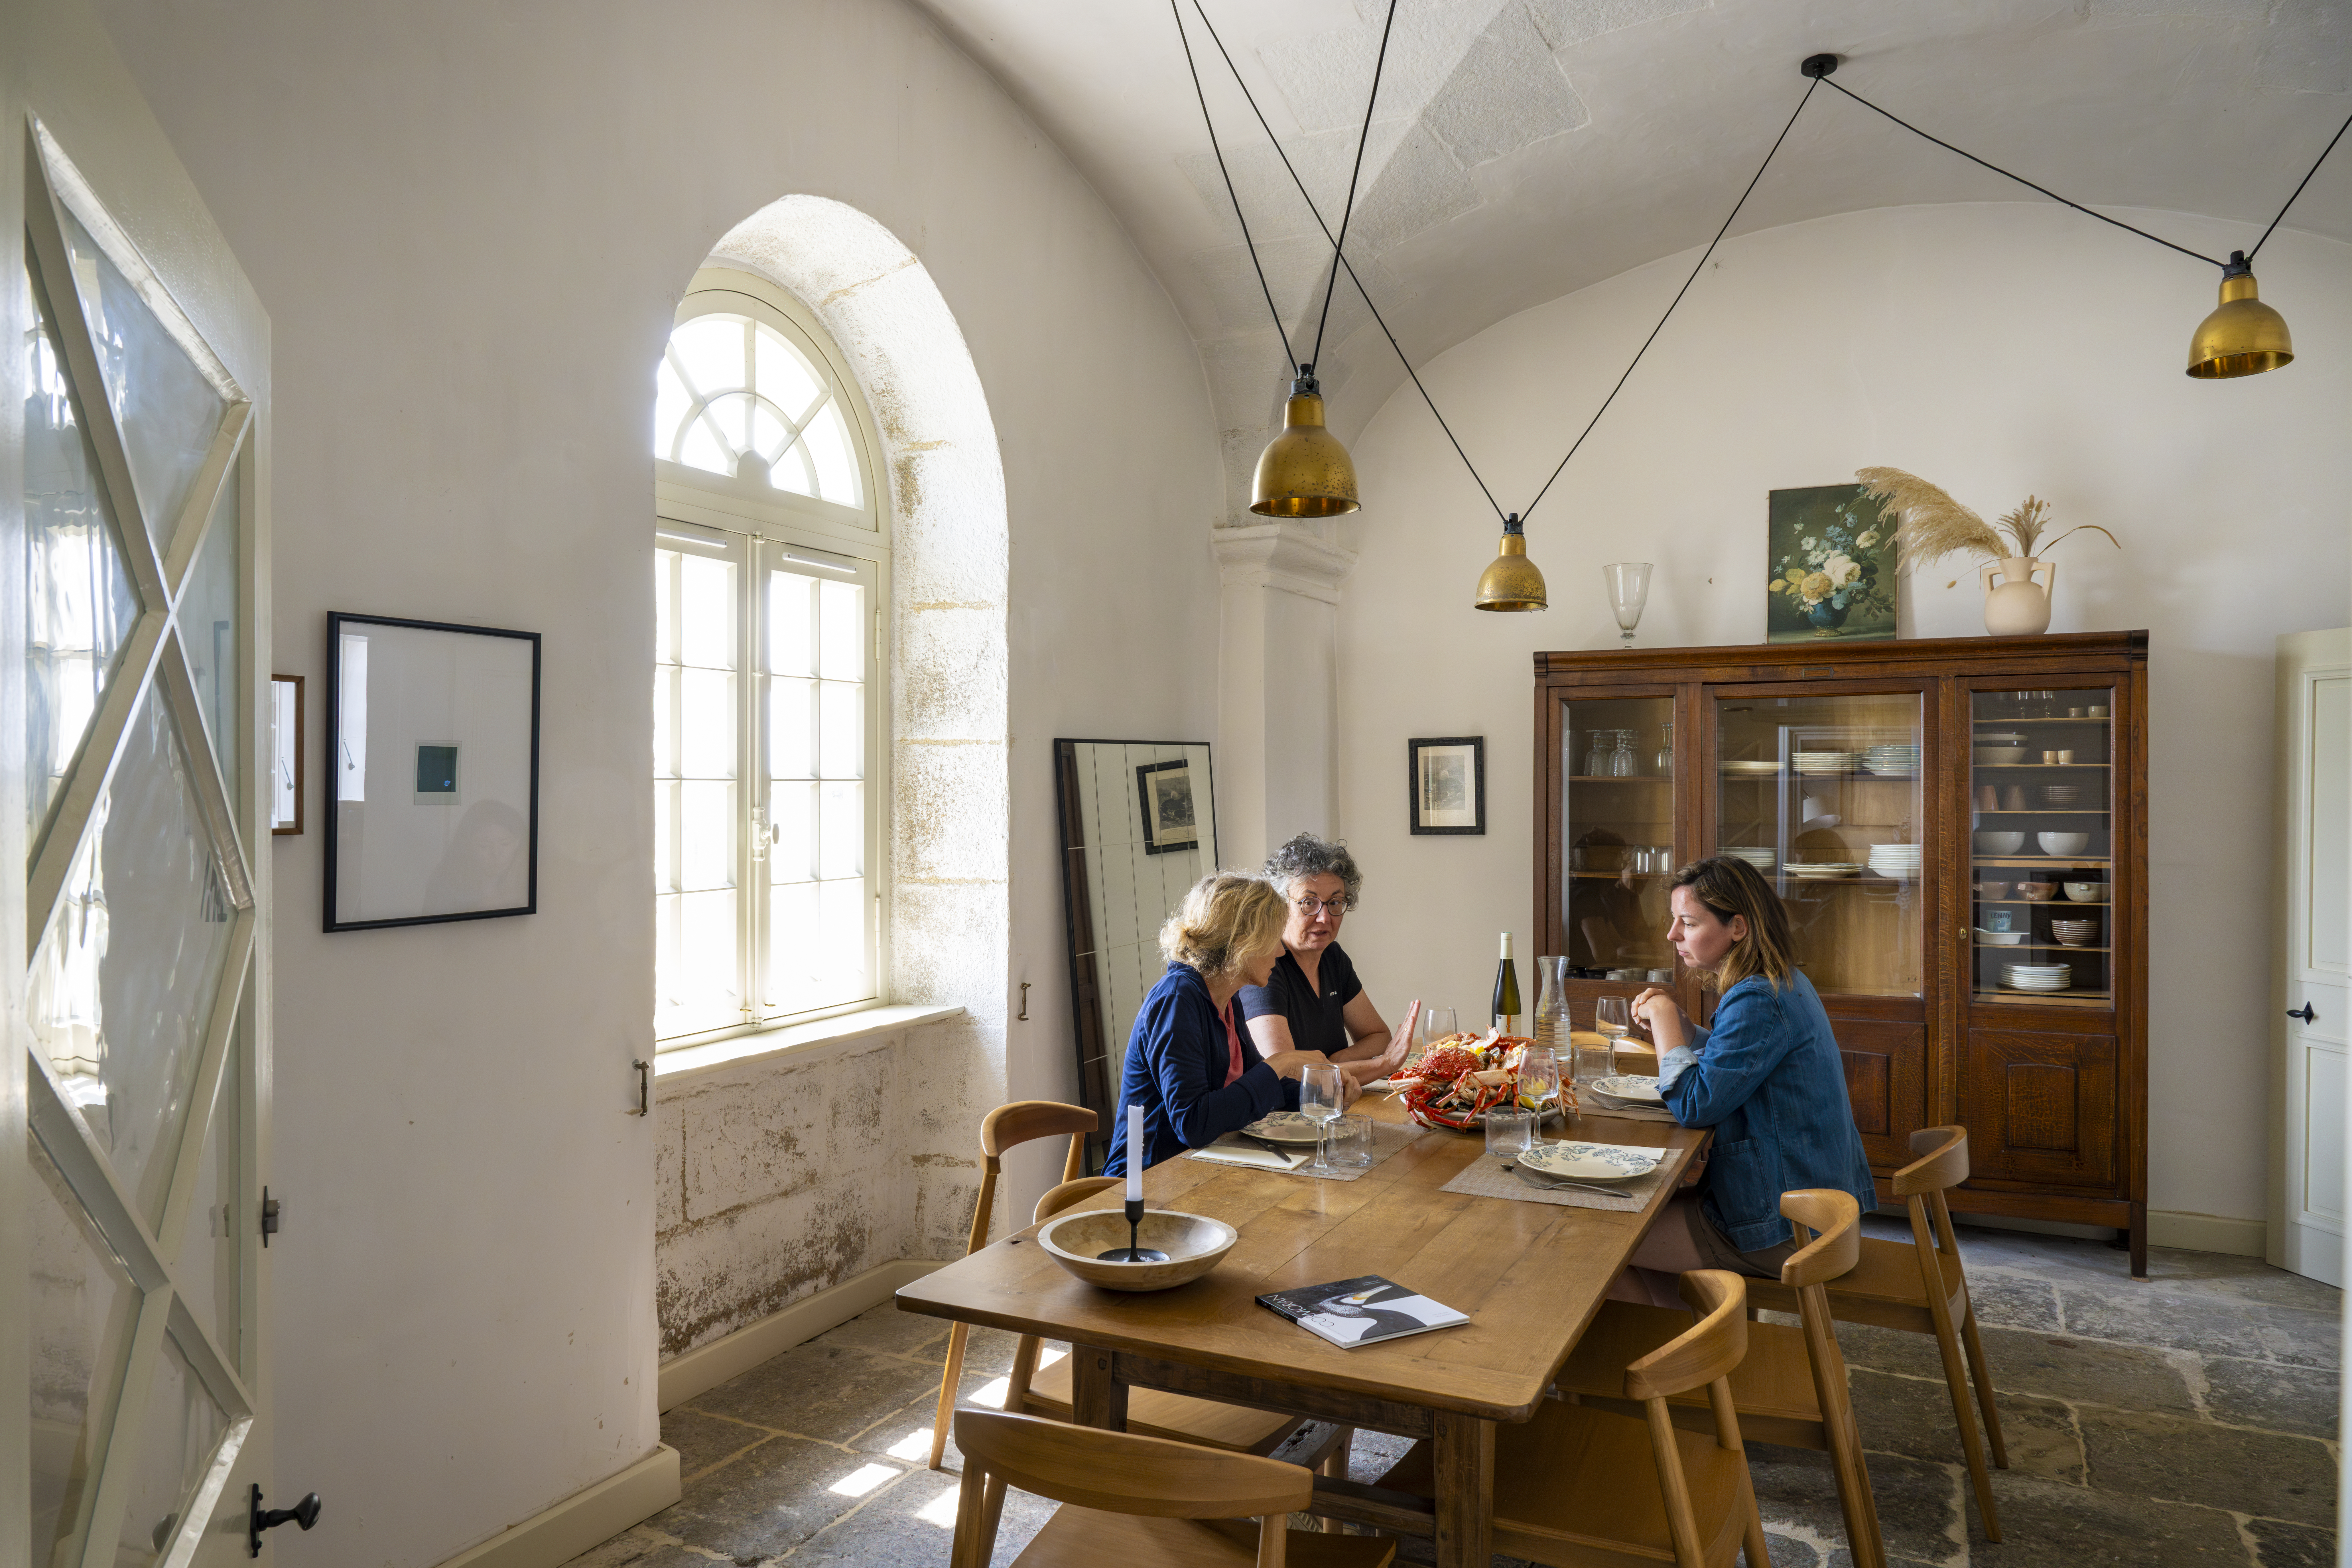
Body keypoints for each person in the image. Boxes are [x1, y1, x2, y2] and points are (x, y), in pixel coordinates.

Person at [1613, 856, 1877, 1307]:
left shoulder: (1757, 998)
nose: (1672, 935)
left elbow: (1694, 1106)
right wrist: (1687, 1032)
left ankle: (1660, 1348)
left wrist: (1663, 1019)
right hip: (1818, 1211)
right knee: (1637, 1222)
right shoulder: (1781, 980)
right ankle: (1685, 1339)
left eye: (1688, 923)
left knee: (1601, 1239)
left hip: (1788, 1227)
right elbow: (1744, 1061)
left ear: (1737, 927)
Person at [1103, 872, 1350, 1177]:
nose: (1281, 951)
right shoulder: (1177, 1000)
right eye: (1273, 939)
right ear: (1243, 943)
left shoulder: (1227, 999)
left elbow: (1255, 1087)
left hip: (1199, 1170)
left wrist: (1323, 1095)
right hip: (1146, 1181)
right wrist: (1282, 1062)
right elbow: (1194, 1125)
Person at [1239, 833, 1419, 1087]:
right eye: (1309, 903)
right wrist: (1385, 1064)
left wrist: (1333, 1063)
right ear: (1279, 906)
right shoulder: (1265, 967)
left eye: (1335, 902)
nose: (1325, 918)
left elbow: (1379, 1036)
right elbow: (1287, 1077)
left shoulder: (1332, 956)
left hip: (1338, 1103)